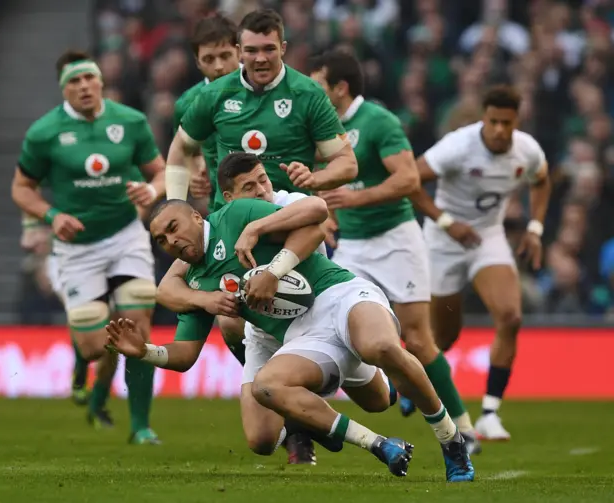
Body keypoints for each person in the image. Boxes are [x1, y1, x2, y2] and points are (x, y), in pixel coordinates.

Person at [106, 154, 475, 482]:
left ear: (195, 215)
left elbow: (316, 217)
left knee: (379, 350)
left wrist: (271, 267)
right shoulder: (197, 280)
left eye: (173, 228)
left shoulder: (236, 214)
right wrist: (144, 351)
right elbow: (185, 355)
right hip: (300, 336)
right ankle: (379, 445)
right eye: (161, 240)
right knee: (267, 392)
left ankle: (451, 440)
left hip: (337, 296)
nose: (171, 241)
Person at [157, 153, 398, 464]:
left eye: (263, 180)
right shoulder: (223, 226)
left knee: (380, 402)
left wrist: (267, 259)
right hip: (266, 332)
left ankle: (330, 403)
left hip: (319, 318)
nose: (260, 190)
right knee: (260, 440)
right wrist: (202, 300)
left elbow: (316, 219)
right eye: (249, 187)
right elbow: (167, 286)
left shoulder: (290, 202)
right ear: (229, 199)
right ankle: (300, 423)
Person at [308, 50, 480, 454]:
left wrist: (357, 198)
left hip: (397, 239)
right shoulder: (320, 129)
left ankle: (465, 429)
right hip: (351, 245)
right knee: (342, 334)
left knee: (418, 339)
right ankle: (318, 425)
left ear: (340, 88)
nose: (309, 94)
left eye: (317, 86)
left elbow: (407, 179)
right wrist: (322, 212)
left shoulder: (378, 122)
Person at [11, 49, 166, 444]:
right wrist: (51, 217)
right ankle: (86, 370)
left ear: (100, 80)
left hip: (125, 235)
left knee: (138, 328)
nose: (83, 87)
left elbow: (160, 171)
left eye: (88, 78)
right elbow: (21, 188)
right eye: (74, 82)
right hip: (77, 247)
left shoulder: (130, 121)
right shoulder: (44, 133)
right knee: (98, 345)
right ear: (64, 89)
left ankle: (141, 427)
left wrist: (150, 190)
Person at [410, 85, 551, 440]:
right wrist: (446, 222)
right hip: (443, 241)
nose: (501, 130)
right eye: (494, 122)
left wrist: (535, 228)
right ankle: (414, 378)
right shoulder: (458, 146)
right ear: (483, 119)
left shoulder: (527, 149)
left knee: (510, 316)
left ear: (516, 121)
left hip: (487, 237)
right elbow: (411, 180)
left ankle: (490, 413)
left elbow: (542, 180)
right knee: (444, 338)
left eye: (507, 122)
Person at [165, 8, 357, 202]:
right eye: (251, 50)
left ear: (283, 48)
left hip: (288, 213)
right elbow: (180, 148)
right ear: (240, 51)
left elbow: (346, 162)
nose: (261, 58)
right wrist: (176, 204)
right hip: (232, 216)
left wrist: (314, 179)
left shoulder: (308, 94)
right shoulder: (214, 94)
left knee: (315, 213)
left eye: (269, 49)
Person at [172, 13, 240, 213]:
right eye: (209, 59)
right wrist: (194, 171)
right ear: (197, 62)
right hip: (220, 209)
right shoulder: (187, 104)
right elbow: (185, 151)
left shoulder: (263, 88)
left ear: (239, 52)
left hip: (277, 200)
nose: (218, 66)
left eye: (225, 56)